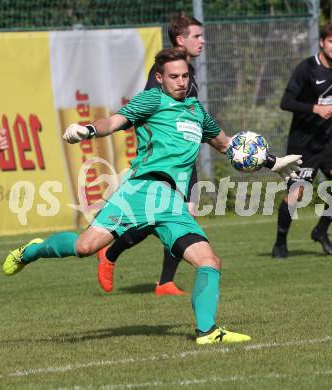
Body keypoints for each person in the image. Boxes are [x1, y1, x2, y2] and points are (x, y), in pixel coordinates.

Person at [3, 48, 301, 344]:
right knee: (84, 247)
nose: (181, 82)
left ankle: (208, 332)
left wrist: (273, 163)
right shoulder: (152, 100)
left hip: (172, 204)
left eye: (185, 76)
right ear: (160, 78)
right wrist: (89, 129)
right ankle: (32, 251)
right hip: (140, 192)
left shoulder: (197, 111)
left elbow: (227, 146)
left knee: (209, 261)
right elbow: (115, 121)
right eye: (173, 76)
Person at [97, 13, 205, 296]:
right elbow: (146, 112)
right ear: (181, 39)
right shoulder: (163, 78)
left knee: (176, 219)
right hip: (164, 163)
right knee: (164, 218)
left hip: (184, 160)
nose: (202, 41)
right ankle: (111, 255)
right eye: (197, 36)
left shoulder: (188, 74)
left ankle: (163, 281)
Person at [272, 23, 332, 259]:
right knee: (297, 194)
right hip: (303, 143)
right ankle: (279, 242)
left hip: (329, 140)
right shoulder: (306, 68)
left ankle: (321, 230)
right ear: (322, 42)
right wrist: (314, 108)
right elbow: (286, 102)